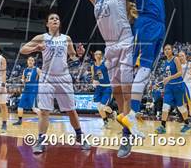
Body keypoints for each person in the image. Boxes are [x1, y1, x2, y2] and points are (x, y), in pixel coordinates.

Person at [77, 0, 135, 157]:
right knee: (118, 93)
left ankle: (127, 135)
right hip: (110, 46)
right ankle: (125, 127)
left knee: (127, 92)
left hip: (125, 42)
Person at [105, 0, 166, 138]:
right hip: (147, 23)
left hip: (160, 25)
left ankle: (132, 115)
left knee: (147, 71)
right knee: (141, 69)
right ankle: (130, 113)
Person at [20, 13, 90, 153]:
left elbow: (73, 56)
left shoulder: (66, 38)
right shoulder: (41, 38)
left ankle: (80, 136)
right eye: (51, 18)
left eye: (57, 18)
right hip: (47, 77)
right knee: (45, 111)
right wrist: (36, 48)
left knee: (71, 110)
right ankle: (40, 141)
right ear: (47, 24)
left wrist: (79, 54)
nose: (55, 20)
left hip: (64, 77)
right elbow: (23, 50)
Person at [154, 45, 191, 135]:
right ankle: (162, 126)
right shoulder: (165, 62)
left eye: (169, 49)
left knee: (180, 107)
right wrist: (164, 80)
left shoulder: (175, 59)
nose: (167, 51)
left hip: (178, 86)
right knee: (165, 106)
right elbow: (167, 75)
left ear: (172, 51)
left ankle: (187, 123)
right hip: (169, 87)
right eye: (165, 49)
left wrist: (169, 78)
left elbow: (180, 73)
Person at [13, 56, 41, 125]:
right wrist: (22, 80)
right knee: (20, 106)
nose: (30, 61)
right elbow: (24, 80)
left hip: (33, 90)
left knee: (34, 108)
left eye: (32, 60)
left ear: (34, 62)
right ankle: (19, 121)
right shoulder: (25, 70)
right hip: (26, 90)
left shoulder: (37, 69)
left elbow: (43, 77)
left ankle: (43, 119)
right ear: (27, 61)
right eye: (29, 60)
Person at [90, 50, 115, 128]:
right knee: (98, 107)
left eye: (99, 54)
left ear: (101, 55)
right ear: (94, 56)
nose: (97, 55)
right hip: (99, 88)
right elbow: (95, 76)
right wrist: (94, 81)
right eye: (96, 54)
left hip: (107, 87)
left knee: (103, 106)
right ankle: (105, 122)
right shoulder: (93, 66)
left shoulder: (106, 63)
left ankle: (112, 113)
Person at [179, 51, 191, 125]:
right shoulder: (177, 65)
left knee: (190, 102)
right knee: (183, 104)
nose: (181, 57)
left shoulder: (190, 64)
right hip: (181, 85)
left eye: (182, 55)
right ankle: (185, 120)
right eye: (179, 56)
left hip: (189, 85)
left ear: (185, 56)